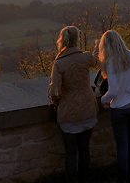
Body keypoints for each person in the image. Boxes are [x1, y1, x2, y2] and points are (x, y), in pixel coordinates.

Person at [48, 26, 98, 183]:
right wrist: (97, 46)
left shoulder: (59, 62)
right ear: (77, 39)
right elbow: (97, 61)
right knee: (84, 150)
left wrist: (56, 101)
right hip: (88, 109)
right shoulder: (85, 57)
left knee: (70, 153)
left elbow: (53, 91)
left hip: (69, 113)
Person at [98, 30, 130, 183]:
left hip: (121, 108)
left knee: (122, 146)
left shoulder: (110, 62)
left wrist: (103, 100)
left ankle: (122, 180)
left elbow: (113, 91)